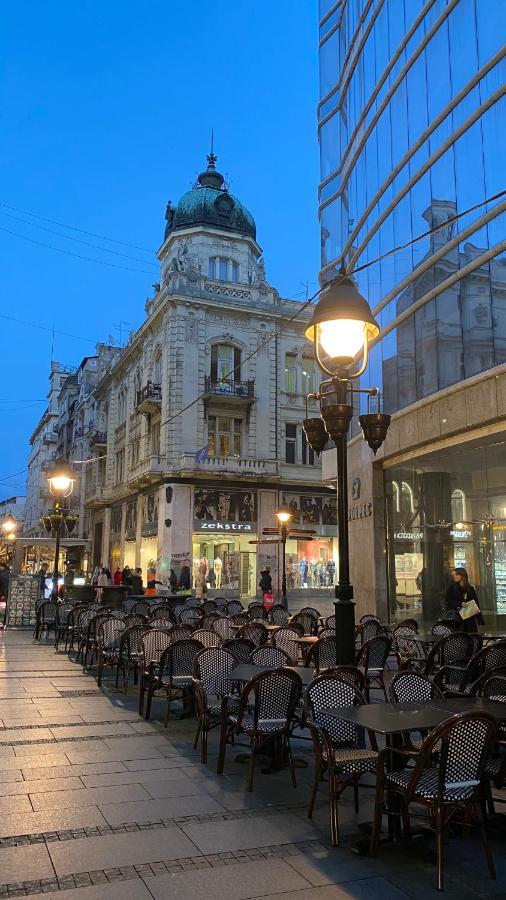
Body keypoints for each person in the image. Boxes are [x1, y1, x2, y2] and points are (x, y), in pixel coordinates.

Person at [445, 567, 483, 632]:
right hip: (457, 619)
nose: (454, 577)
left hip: (469, 619)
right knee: (460, 638)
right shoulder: (452, 589)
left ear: (462, 575)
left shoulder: (470, 589)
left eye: (456, 575)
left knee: (470, 638)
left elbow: (475, 604)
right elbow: (447, 602)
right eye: (453, 575)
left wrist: (480, 620)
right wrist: (460, 603)